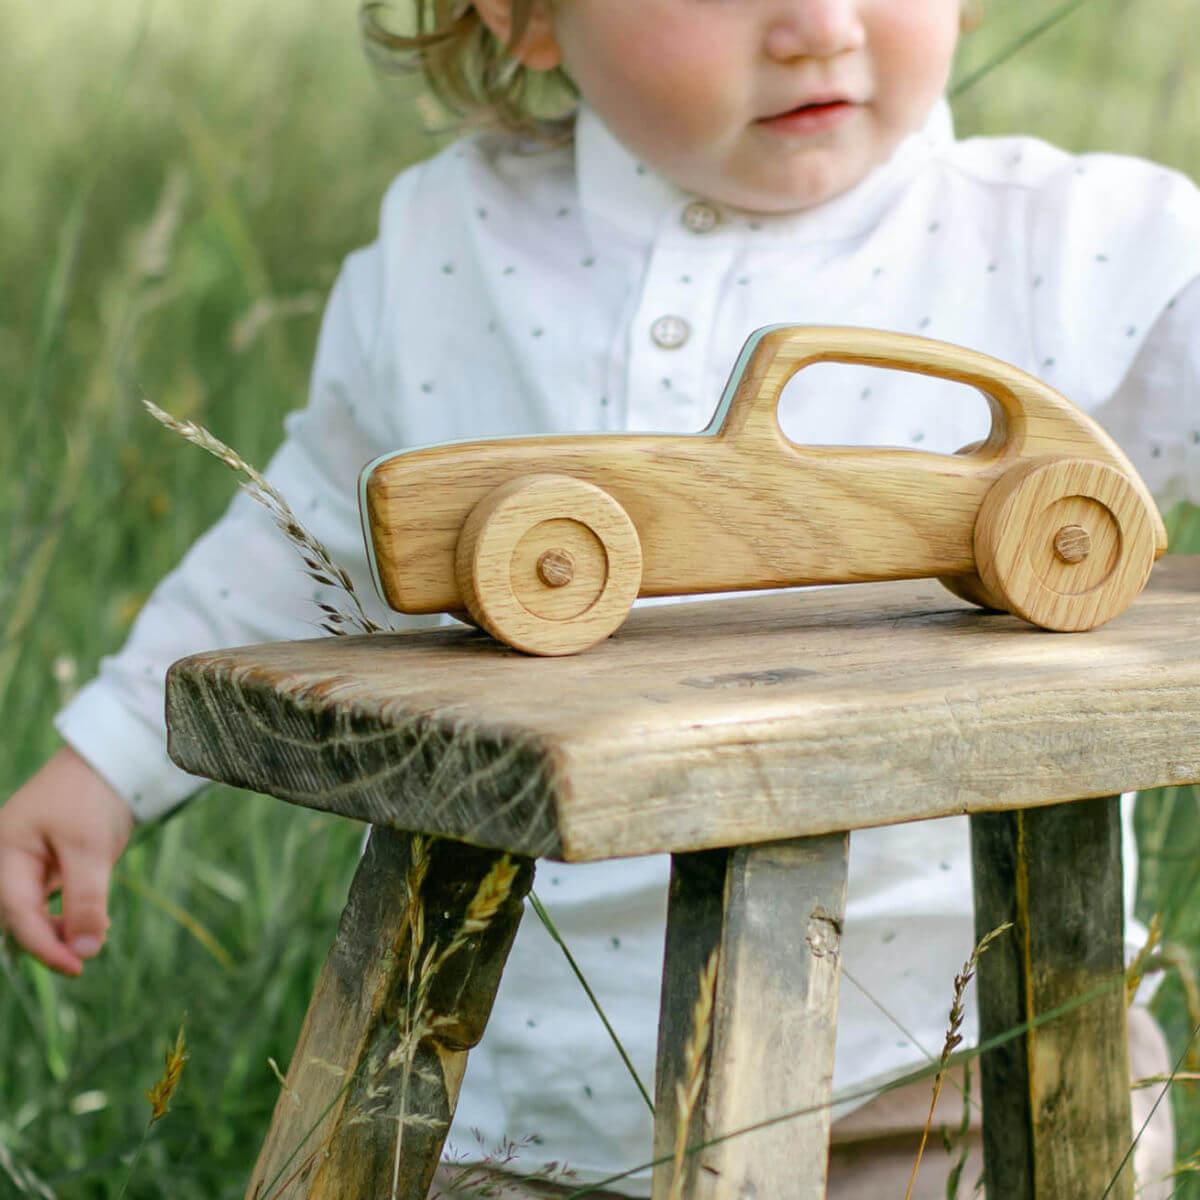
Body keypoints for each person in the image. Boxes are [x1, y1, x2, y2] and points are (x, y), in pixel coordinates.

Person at [1, 0, 1197, 1194]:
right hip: (515, 1085)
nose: (819, 25)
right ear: (523, 19)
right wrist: (109, 757)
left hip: (937, 1078)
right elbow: (308, 532)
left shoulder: (1084, 241)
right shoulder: (450, 243)